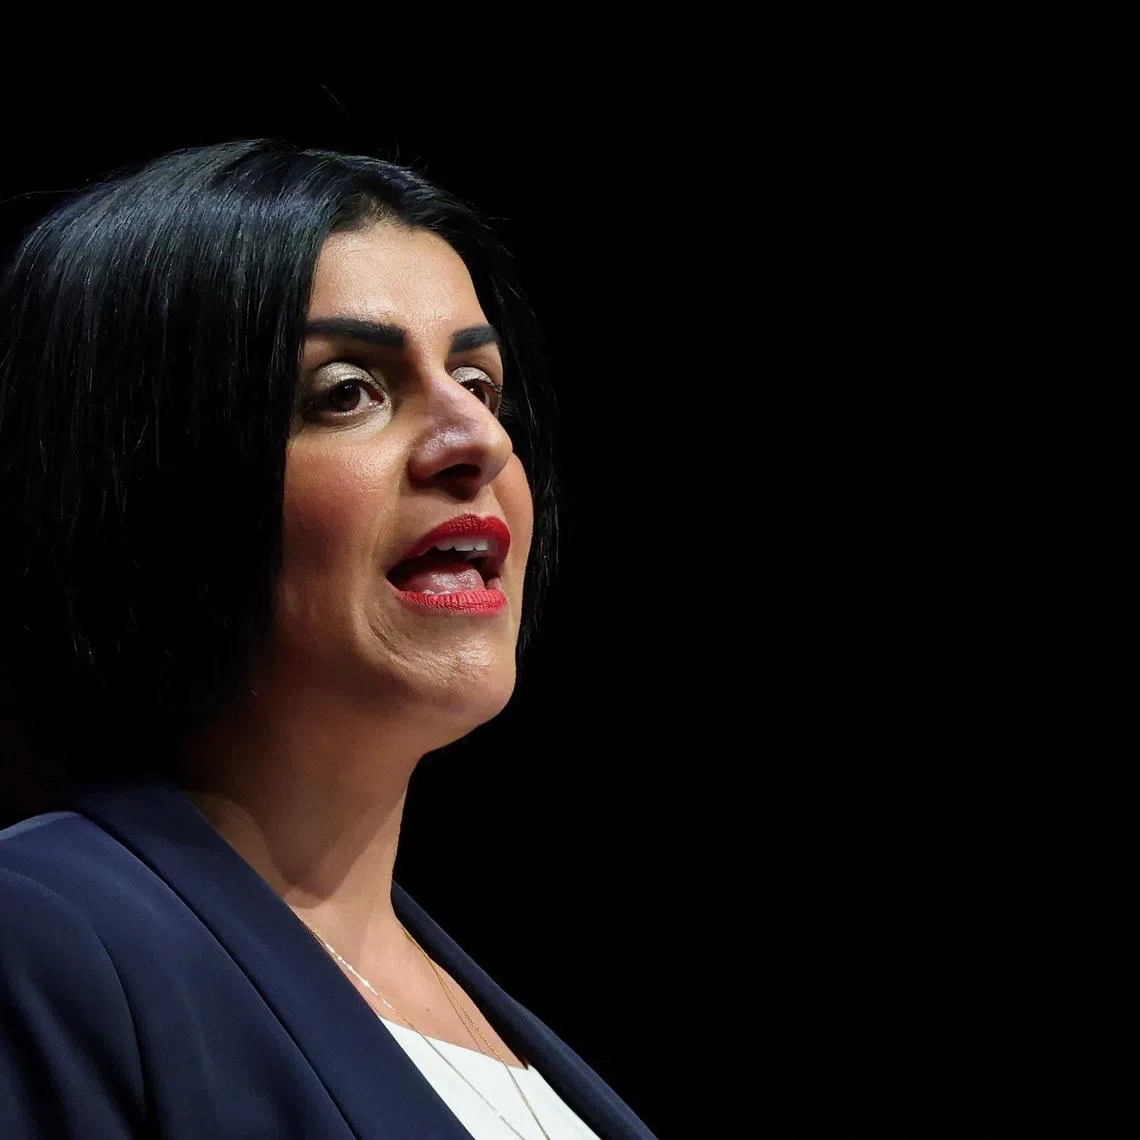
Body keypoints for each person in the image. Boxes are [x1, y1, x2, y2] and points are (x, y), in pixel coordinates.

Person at [0, 139, 657, 1140]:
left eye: (479, 383)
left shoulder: (467, 1001)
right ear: (151, 485)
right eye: (348, 390)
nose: (478, 441)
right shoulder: (43, 938)